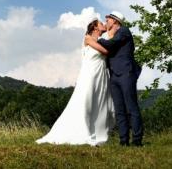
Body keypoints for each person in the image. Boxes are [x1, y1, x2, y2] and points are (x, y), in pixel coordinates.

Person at [35, 17, 115, 146]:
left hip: (101, 75)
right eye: (101, 23)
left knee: (99, 102)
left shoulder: (102, 40)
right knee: (86, 101)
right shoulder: (88, 38)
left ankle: (98, 133)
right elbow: (105, 51)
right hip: (89, 74)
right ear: (95, 27)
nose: (104, 24)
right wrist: (111, 35)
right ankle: (81, 131)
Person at [97, 11, 144, 147]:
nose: (106, 20)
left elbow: (112, 44)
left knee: (131, 108)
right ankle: (123, 140)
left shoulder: (124, 31)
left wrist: (97, 40)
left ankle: (137, 140)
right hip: (114, 76)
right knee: (119, 110)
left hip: (126, 74)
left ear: (115, 21)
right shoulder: (112, 34)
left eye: (108, 19)